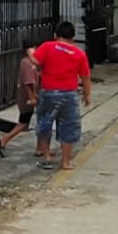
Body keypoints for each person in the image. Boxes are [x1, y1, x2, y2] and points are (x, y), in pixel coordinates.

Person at [31, 20, 91, 171]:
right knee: (68, 127)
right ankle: (65, 162)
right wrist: (87, 94)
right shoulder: (79, 53)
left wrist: (30, 52)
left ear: (55, 35)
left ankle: (47, 156)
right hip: (69, 95)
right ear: (73, 37)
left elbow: (35, 62)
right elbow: (85, 77)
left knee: (45, 123)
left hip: (49, 92)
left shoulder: (47, 47)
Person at [0, 41, 44, 157]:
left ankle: (39, 147)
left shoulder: (29, 63)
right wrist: (32, 97)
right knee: (25, 123)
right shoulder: (27, 63)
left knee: (26, 124)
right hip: (28, 99)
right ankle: (4, 140)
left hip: (29, 98)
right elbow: (27, 83)